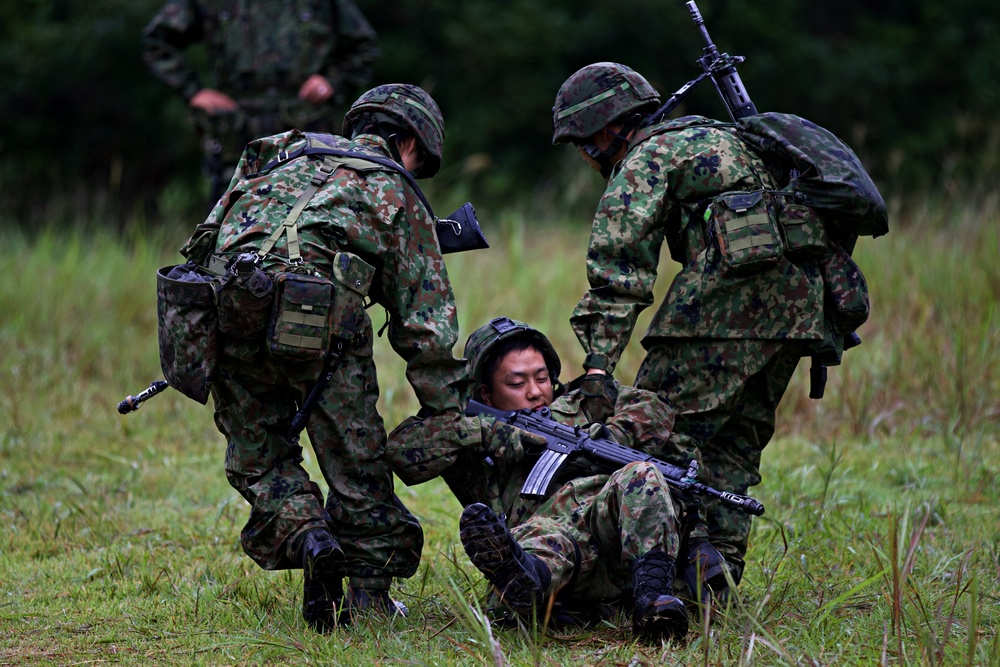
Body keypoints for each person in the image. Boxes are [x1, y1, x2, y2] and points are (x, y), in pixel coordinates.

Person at [173, 83, 465, 632]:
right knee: (355, 457)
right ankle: (370, 597)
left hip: (230, 306)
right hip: (322, 321)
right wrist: (444, 410)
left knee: (258, 453)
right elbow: (427, 322)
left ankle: (308, 535)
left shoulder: (277, 151)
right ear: (407, 142)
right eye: (419, 160)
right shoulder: (395, 188)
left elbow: (208, 237)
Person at [551, 62, 827, 590]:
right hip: (802, 315)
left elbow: (618, 273)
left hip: (726, 313)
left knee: (653, 432)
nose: (587, 157)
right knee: (732, 448)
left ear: (608, 128)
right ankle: (712, 585)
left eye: (584, 143)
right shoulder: (727, 139)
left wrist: (596, 368)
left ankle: (657, 575)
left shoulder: (646, 157)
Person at [387, 316, 696, 642]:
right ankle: (523, 579)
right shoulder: (473, 434)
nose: (536, 392)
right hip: (546, 554)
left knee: (642, 474)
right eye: (517, 384)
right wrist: (483, 431)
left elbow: (654, 408)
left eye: (543, 378)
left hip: (613, 548)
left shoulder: (579, 405)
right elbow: (402, 451)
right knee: (548, 534)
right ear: (486, 395)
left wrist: (602, 440)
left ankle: (654, 602)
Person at [142, 0, 379, 206]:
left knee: (311, 221)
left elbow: (363, 46)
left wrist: (332, 81)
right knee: (229, 225)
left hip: (305, 127)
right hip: (238, 131)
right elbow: (158, 41)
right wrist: (195, 91)